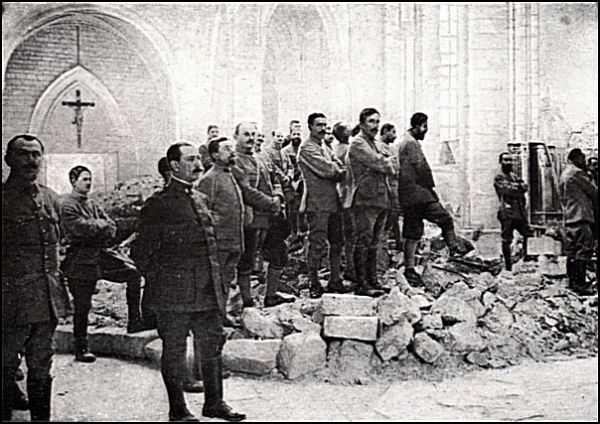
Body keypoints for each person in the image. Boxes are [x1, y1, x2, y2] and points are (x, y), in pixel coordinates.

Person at [132, 142, 246, 422]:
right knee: (174, 350)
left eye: (199, 158)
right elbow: (140, 252)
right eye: (191, 159)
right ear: (173, 165)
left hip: (206, 289)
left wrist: (216, 284)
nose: (198, 164)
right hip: (175, 294)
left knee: (211, 345)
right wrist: (164, 282)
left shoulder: (199, 199)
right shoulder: (159, 204)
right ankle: (178, 409)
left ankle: (214, 403)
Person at [3, 134, 71, 421]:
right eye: (23, 154)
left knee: (42, 363)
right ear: (9, 160)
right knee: (5, 363)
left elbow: (59, 244)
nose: (31, 160)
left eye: (36, 154)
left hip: (46, 299)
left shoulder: (50, 198)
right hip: (10, 302)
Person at [397, 112, 471, 286]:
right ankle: (454, 250)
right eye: (424, 128)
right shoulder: (411, 144)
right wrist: (431, 188)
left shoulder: (404, 142)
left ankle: (409, 268)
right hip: (420, 195)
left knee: (412, 232)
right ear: (418, 126)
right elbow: (422, 168)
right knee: (445, 219)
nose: (425, 132)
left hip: (409, 196)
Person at [233, 122, 290, 308]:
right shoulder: (234, 161)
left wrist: (278, 196)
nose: (250, 138)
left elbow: (274, 179)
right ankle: (247, 301)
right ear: (236, 137)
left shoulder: (261, 158)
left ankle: (270, 296)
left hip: (270, 215)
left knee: (279, 253)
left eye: (253, 134)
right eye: (245, 134)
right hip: (251, 218)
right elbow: (245, 191)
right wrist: (269, 202)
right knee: (247, 260)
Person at [298, 113, 348, 298]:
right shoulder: (306, 148)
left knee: (337, 241)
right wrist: (341, 171)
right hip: (317, 203)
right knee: (317, 244)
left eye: (325, 125)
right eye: (319, 125)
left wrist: (338, 168)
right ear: (310, 127)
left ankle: (335, 279)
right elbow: (329, 170)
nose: (323, 129)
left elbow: (335, 163)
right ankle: (314, 282)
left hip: (333, 202)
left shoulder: (324, 146)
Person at [348, 108, 396, 297]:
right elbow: (382, 163)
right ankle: (362, 283)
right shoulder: (358, 144)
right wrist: (387, 161)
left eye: (377, 122)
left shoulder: (373, 143)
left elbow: (391, 165)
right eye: (371, 122)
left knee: (374, 242)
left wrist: (387, 162)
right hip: (366, 199)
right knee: (364, 240)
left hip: (379, 198)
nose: (375, 126)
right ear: (361, 124)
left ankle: (372, 280)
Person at [558, 149, 598, 296]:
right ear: (577, 158)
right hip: (581, 217)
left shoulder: (563, 174)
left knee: (572, 252)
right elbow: (594, 192)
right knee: (584, 250)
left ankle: (572, 283)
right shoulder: (577, 173)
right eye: (583, 159)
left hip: (570, 217)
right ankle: (581, 285)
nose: (585, 162)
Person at [494, 152, 533, 276]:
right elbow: (507, 190)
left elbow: (525, 187)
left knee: (528, 233)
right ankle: (508, 265)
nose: (508, 162)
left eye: (510, 160)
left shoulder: (514, 176)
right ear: (501, 162)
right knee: (507, 239)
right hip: (507, 212)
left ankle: (527, 260)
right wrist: (518, 188)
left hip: (519, 212)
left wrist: (517, 187)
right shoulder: (499, 177)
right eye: (505, 160)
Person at [332, 122, 358, 282]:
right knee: (351, 235)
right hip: (348, 194)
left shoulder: (338, 148)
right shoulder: (345, 150)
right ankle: (350, 267)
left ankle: (348, 266)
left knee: (347, 235)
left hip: (343, 193)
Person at [379, 123, 402, 251]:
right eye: (393, 132)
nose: (395, 136)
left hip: (394, 187)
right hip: (387, 188)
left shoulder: (390, 148)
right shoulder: (380, 148)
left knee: (394, 214)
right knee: (387, 218)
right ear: (385, 131)